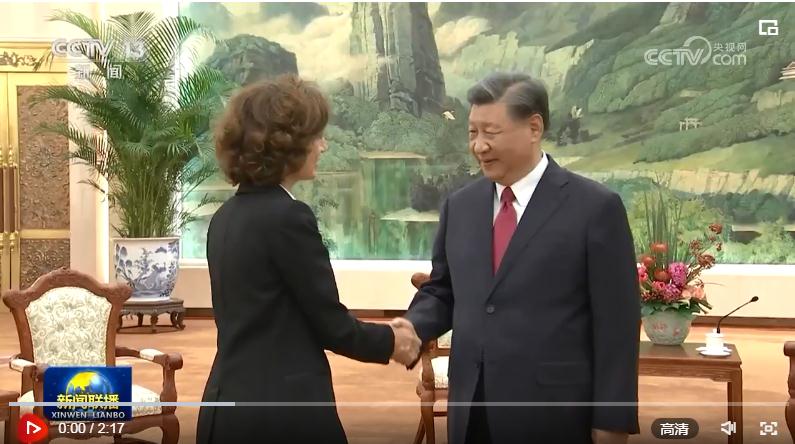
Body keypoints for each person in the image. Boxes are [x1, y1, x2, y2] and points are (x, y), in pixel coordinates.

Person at [397, 72, 640, 444]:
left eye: (490, 132)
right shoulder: (460, 207)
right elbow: (444, 291)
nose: (479, 146)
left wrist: (613, 420)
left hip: (555, 415)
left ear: (534, 128)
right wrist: (411, 328)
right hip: (471, 409)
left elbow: (617, 325)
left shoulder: (595, 208)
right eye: (472, 132)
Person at [196, 74, 421, 444]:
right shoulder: (288, 217)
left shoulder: (225, 217)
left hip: (225, 406)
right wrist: (394, 342)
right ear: (287, 145)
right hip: (281, 413)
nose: (323, 145)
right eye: (316, 136)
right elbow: (331, 325)